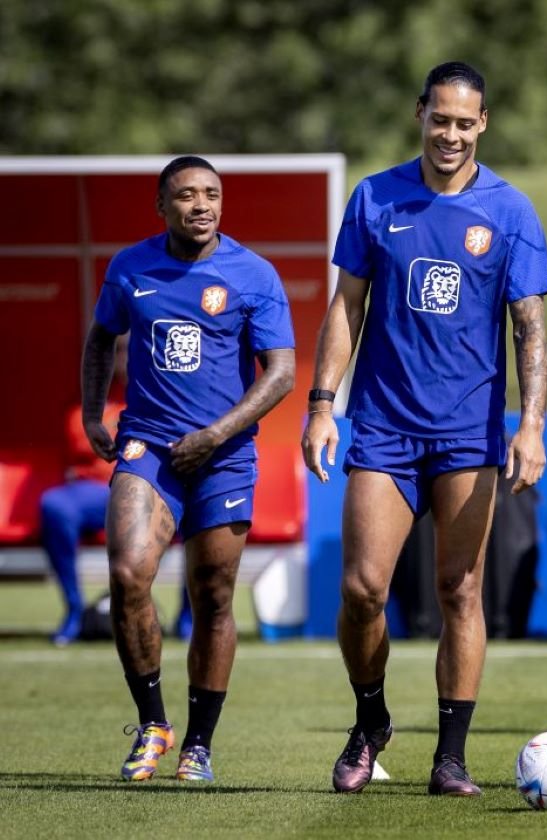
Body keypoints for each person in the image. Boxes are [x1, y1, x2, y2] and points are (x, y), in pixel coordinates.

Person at [301, 61, 547, 797]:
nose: (450, 133)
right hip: (383, 424)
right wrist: (322, 403)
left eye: (464, 122)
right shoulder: (375, 196)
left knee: (460, 591)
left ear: (483, 125)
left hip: (468, 435)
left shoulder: (511, 211)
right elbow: (346, 307)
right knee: (362, 590)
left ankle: (450, 755)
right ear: (420, 114)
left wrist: (530, 424)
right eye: (439, 118)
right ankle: (371, 720)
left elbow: (529, 329)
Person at [81, 155, 296, 783]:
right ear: (161, 205)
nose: (201, 205)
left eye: (212, 194)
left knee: (213, 597)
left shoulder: (253, 274)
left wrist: (216, 434)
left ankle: (198, 745)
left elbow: (280, 373)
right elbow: (100, 338)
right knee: (127, 574)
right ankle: (153, 723)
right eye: (186, 195)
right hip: (147, 445)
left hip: (224, 454)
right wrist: (97, 414)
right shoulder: (130, 267)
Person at [43, 336, 194, 646]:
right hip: (98, 491)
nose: (123, 357)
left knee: (200, 510)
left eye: (128, 349)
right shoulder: (96, 396)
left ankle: (188, 619)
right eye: (118, 351)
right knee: (55, 505)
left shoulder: (162, 389)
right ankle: (74, 611)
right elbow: (82, 440)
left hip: (153, 486)